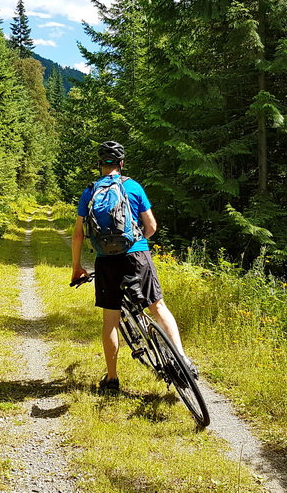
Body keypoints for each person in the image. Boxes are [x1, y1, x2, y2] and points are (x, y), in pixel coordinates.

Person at [71, 140, 198, 392]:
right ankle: (182, 360)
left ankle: (112, 379)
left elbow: (77, 235)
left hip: (106, 261)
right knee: (158, 306)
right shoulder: (133, 186)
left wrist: (77, 267)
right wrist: (137, 242)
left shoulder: (89, 192)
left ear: (99, 165)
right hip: (136, 256)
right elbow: (151, 227)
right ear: (121, 163)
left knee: (111, 321)